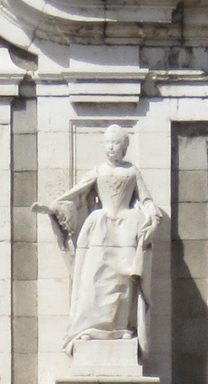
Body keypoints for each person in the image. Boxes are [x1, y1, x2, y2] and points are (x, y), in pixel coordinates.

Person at [36, 125, 164, 352]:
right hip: (100, 227)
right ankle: (90, 327)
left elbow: (145, 199)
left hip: (127, 227)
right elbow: (75, 194)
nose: (111, 147)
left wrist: (153, 215)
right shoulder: (98, 170)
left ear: (124, 147)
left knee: (123, 280)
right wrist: (54, 207)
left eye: (116, 143)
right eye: (108, 143)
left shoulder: (132, 172)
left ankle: (120, 327)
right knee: (94, 277)